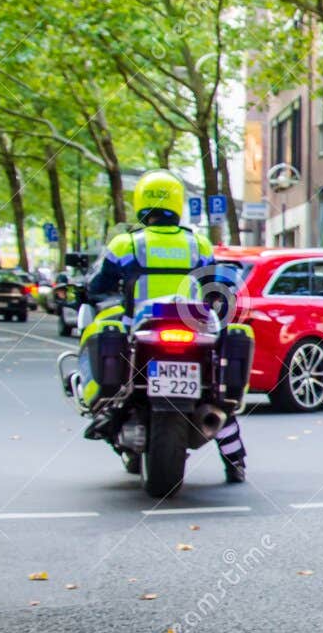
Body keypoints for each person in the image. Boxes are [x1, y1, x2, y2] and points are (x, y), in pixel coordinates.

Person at [79, 170, 249, 483]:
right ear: (177, 204)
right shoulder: (198, 244)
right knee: (214, 392)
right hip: (193, 331)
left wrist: (87, 288)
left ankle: (112, 422)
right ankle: (235, 462)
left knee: (118, 385)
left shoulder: (126, 244)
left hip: (142, 333)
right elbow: (212, 282)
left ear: (141, 203)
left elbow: (98, 284)